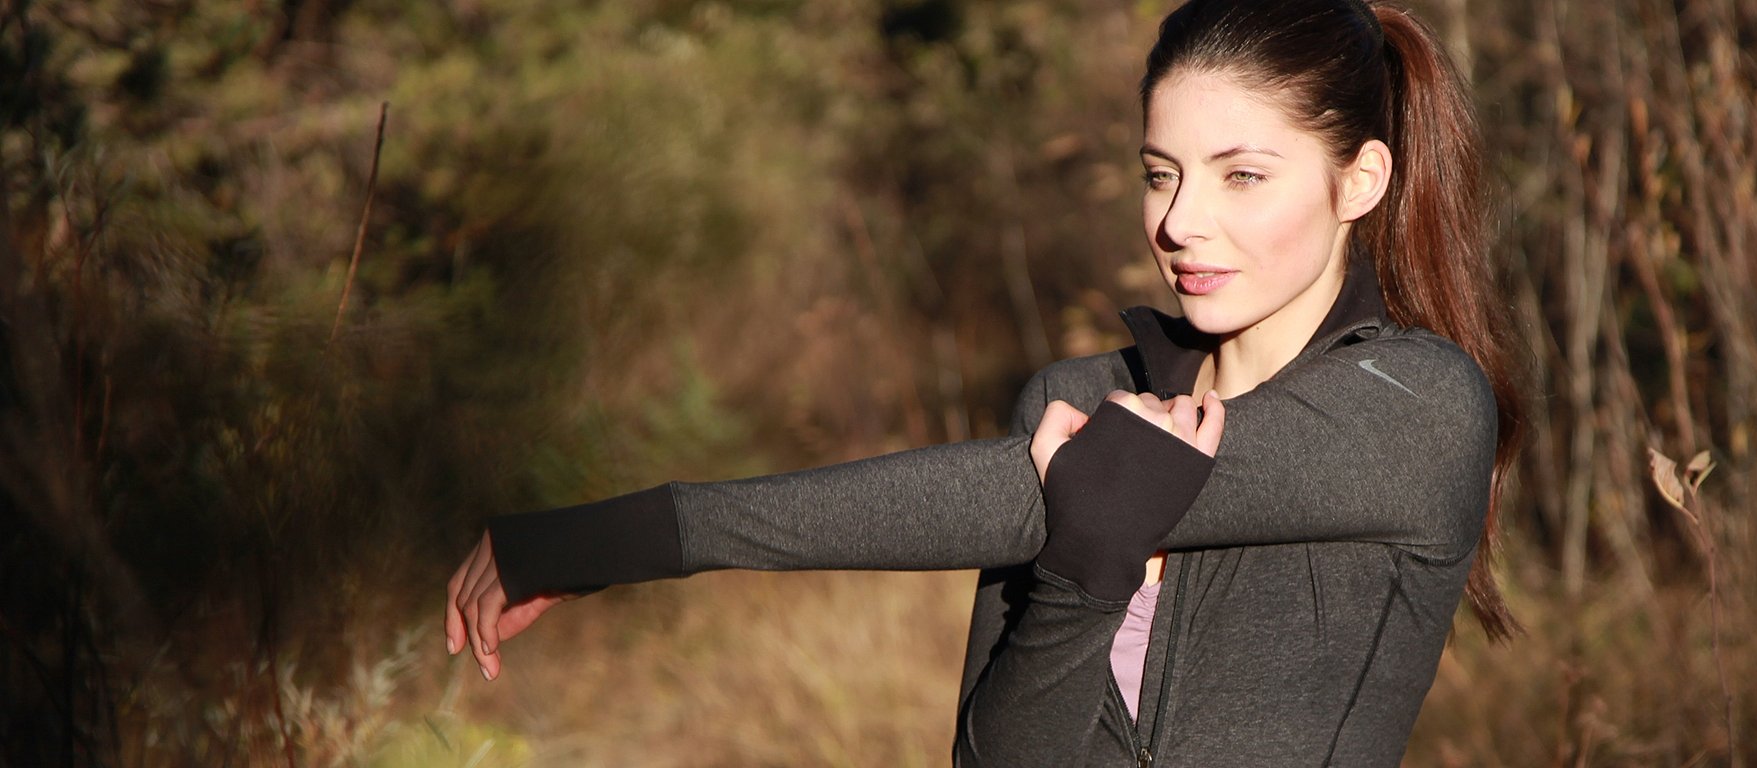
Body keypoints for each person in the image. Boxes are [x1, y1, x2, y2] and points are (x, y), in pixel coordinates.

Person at [445, 0, 1528, 763]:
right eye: (1161, 173)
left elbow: (1014, 493)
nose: (1178, 221)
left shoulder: (1414, 408)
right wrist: (1083, 572)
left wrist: (623, 540)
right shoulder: (1071, 397)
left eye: (1242, 175)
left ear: (1361, 180)